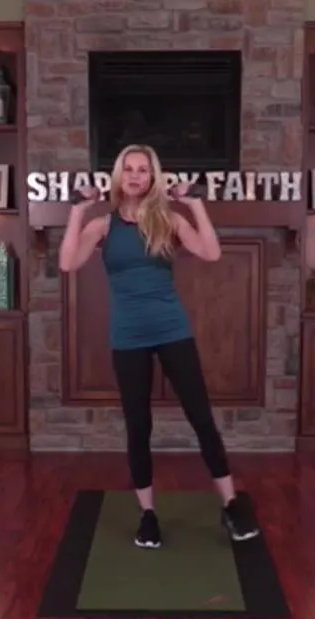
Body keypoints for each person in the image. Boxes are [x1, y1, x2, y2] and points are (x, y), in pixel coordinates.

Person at [58, 144, 260, 549]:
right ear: (119, 176)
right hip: (128, 335)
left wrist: (195, 203)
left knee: (201, 418)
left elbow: (211, 252)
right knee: (139, 426)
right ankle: (147, 514)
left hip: (171, 330)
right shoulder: (103, 225)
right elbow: (68, 263)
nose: (136, 176)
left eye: (143, 170)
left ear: (153, 177)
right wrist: (77, 210)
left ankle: (231, 505)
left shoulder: (168, 219)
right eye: (129, 169)